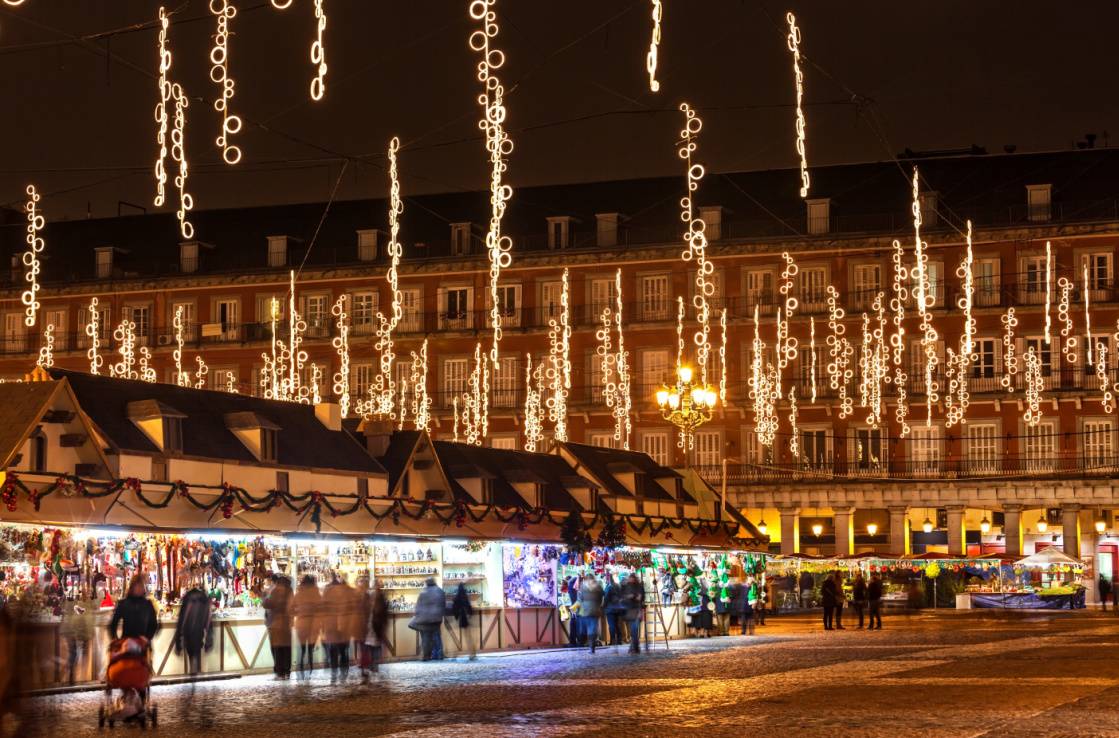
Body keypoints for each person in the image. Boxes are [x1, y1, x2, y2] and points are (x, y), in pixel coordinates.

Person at [172, 580, 213, 676]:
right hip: (199, 631)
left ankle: (194, 671)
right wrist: (209, 640)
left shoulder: (187, 597)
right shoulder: (203, 597)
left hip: (188, 631)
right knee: (196, 651)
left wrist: (178, 641)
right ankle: (196, 671)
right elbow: (208, 619)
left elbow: (182, 619)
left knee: (191, 652)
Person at [322, 573, 355, 681]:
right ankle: (343, 673)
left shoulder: (327, 591)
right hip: (344, 625)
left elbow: (323, 609)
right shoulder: (346, 591)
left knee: (333, 651)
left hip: (331, 625)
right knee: (343, 650)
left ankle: (334, 673)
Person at [109, 574, 159, 642]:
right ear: (132, 587)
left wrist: (147, 638)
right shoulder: (124, 603)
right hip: (126, 643)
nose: (139, 589)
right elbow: (113, 624)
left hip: (142, 645)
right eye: (137, 586)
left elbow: (154, 624)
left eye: (141, 586)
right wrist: (116, 640)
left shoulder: (147, 604)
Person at [60, 590, 96, 684]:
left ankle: (71, 676)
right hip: (73, 633)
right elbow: (81, 621)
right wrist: (86, 635)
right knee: (74, 654)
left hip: (72, 632)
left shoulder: (77, 605)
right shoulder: (81, 607)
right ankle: (71, 677)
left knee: (74, 654)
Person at [263, 575, 294, 679]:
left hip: (276, 623)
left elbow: (269, 604)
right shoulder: (289, 590)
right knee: (286, 649)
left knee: (278, 649)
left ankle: (279, 672)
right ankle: (287, 671)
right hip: (287, 624)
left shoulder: (276, 590)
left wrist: (263, 597)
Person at [293, 575, 322, 676]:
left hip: (302, 623)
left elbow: (292, 607)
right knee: (310, 647)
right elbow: (321, 608)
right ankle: (310, 667)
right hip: (314, 623)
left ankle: (300, 666)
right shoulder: (316, 593)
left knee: (302, 648)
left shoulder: (299, 593)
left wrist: (299, 611)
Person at [411, 578, 446, 661]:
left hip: (424, 619)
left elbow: (418, 606)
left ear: (427, 583)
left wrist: (416, 615)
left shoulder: (423, 592)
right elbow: (443, 604)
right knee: (437, 636)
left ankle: (426, 656)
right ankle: (439, 654)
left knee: (426, 637)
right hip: (436, 618)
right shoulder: (440, 591)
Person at [577, 573, 604, 653]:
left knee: (587, 629)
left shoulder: (582, 587)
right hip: (595, 610)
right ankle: (592, 646)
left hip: (585, 611)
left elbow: (580, 599)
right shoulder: (598, 587)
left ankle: (591, 644)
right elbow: (601, 599)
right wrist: (598, 606)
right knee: (592, 628)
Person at [366, 581, 389, 672]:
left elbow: (384, 612)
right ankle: (374, 663)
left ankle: (374, 663)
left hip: (374, 623)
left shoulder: (374, 596)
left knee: (373, 645)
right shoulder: (381, 596)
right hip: (375, 624)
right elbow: (385, 612)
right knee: (375, 644)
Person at [451, 583, 476, 660]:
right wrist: (470, 615)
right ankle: (472, 653)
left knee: (458, 637)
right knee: (468, 637)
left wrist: (456, 617)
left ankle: (455, 654)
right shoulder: (465, 597)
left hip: (461, 618)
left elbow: (454, 608)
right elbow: (469, 608)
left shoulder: (457, 597)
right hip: (466, 618)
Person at [621, 573, 644, 653]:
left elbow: (640, 598)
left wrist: (633, 596)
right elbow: (623, 597)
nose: (630, 580)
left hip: (637, 610)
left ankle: (634, 647)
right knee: (633, 630)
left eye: (632, 578)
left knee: (634, 630)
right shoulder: (626, 587)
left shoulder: (639, 587)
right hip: (629, 611)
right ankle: (635, 647)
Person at [603, 574, 625, 646]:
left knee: (612, 625)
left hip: (610, 609)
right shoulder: (618, 585)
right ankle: (619, 640)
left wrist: (604, 606)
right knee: (617, 624)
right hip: (618, 608)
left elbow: (606, 598)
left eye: (604, 578)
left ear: (607, 578)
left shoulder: (609, 587)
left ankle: (613, 640)